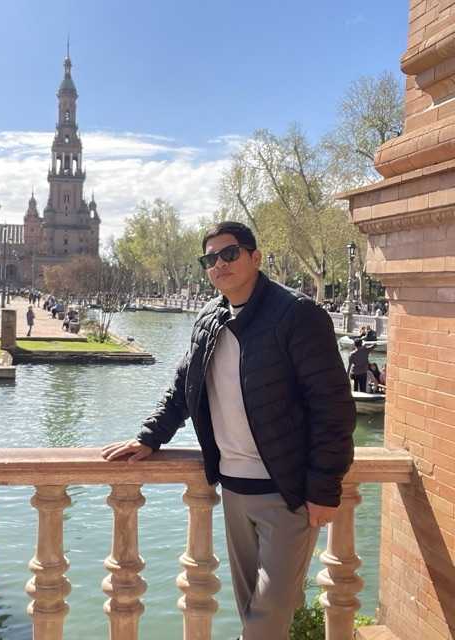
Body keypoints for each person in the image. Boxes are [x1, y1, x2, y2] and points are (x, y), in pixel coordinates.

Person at [102, 221, 355, 640]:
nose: (219, 264)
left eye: (230, 253)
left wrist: (324, 488)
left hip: (287, 490)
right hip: (234, 489)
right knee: (250, 609)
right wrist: (149, 437)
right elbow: (184, 389)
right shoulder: (209, 318)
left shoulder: (297, 314)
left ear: (255, 257)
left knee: (268, 617)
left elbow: (333, 407)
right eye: (210, 259)